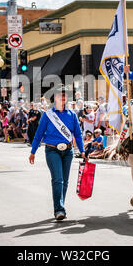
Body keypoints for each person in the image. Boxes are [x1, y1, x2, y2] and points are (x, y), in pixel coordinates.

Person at [29, 84, 87, 221]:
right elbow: (39, 134)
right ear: (54, 97)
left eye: (65, 95)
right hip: (52, 150)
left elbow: (78, 135)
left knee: (65, 182)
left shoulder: (72, 115)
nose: (63, 97)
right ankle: (59, 210)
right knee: (58, 180)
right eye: (60, 94)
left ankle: (60, 206)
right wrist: (33, 151)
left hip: (68, 151)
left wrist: (83, 151)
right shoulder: (48, 115)